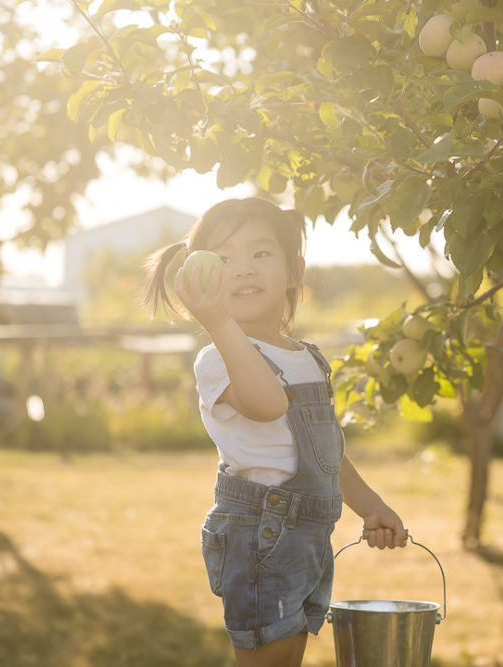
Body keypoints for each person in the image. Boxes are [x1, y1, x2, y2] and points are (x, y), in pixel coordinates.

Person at [144, 197, 407, 667]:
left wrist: (372, 506)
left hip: (307, 537)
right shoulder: (216, 358)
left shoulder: (306, 356)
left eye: (260, 254)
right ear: (203, 279)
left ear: (293, 271)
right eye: (223, 259)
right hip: (259, 535)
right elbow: (267, 404)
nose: (242, 269)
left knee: (288, 659)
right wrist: (219, 323)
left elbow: (325, 452)